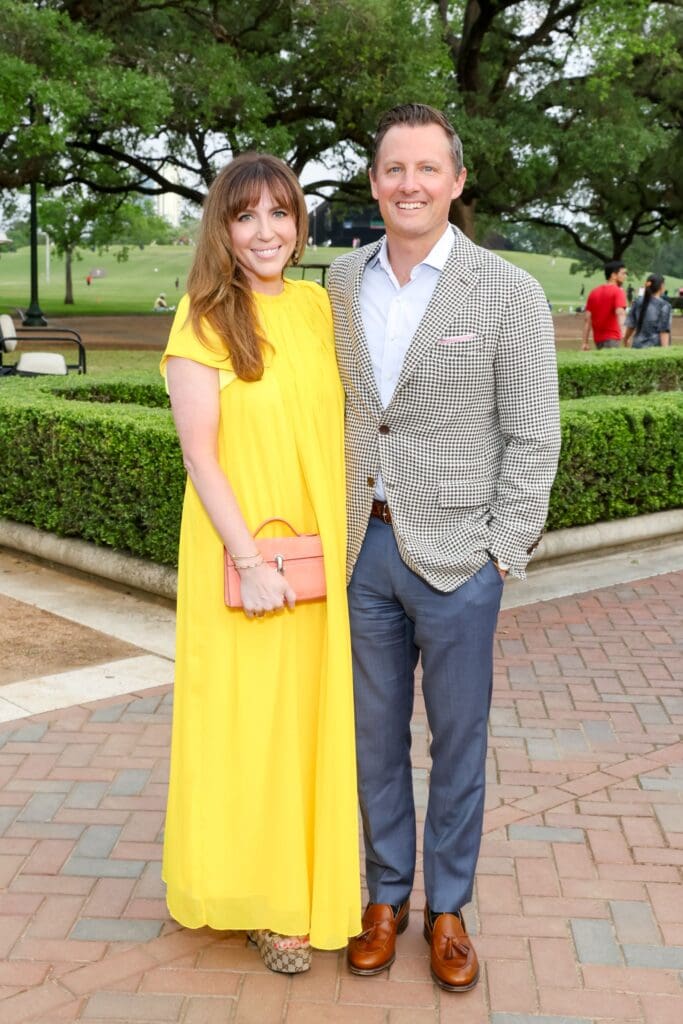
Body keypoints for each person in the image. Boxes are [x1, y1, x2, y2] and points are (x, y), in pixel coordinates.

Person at [328, 103, 561, 993]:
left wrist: (503, 549)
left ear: (456, 182)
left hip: (462, 559)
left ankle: (448, 909)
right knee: (372, 739)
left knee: (458, 743)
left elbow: (533, 435)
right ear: (373, 181)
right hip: (364, 549)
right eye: (394, 168)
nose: (409, 184)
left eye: (428, 168)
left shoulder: (508, 292)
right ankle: (384, 897)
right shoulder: (339, 283)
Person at [160, 153, 361, 975]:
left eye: (280, 213)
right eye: (246, 216)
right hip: (243, 557)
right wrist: (249, 563)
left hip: (316, 558)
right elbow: (200, 457)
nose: (265, 232)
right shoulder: (203, 318)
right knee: (250, 726)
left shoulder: (317, 307)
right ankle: (263, 902)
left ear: (299, 224)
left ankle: (306, 881)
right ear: (223, 228)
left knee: (306, 724)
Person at [581, 260, 628, 349]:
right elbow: (620, 313)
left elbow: (587, 319)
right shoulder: (618, 291)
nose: (625, 276)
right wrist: (625, 336)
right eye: (623, 273)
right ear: (614, 275)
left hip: (598, 340)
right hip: (613, 338)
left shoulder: (594, 292)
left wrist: (585, 342)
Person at [624, 273, 671, 348]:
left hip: (637, 346)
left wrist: (626, 339)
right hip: (655, 348)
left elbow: (631, 325)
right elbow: (663, 331)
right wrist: (665, 350)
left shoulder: (637, 302)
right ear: (661, 286)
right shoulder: (664, 305)